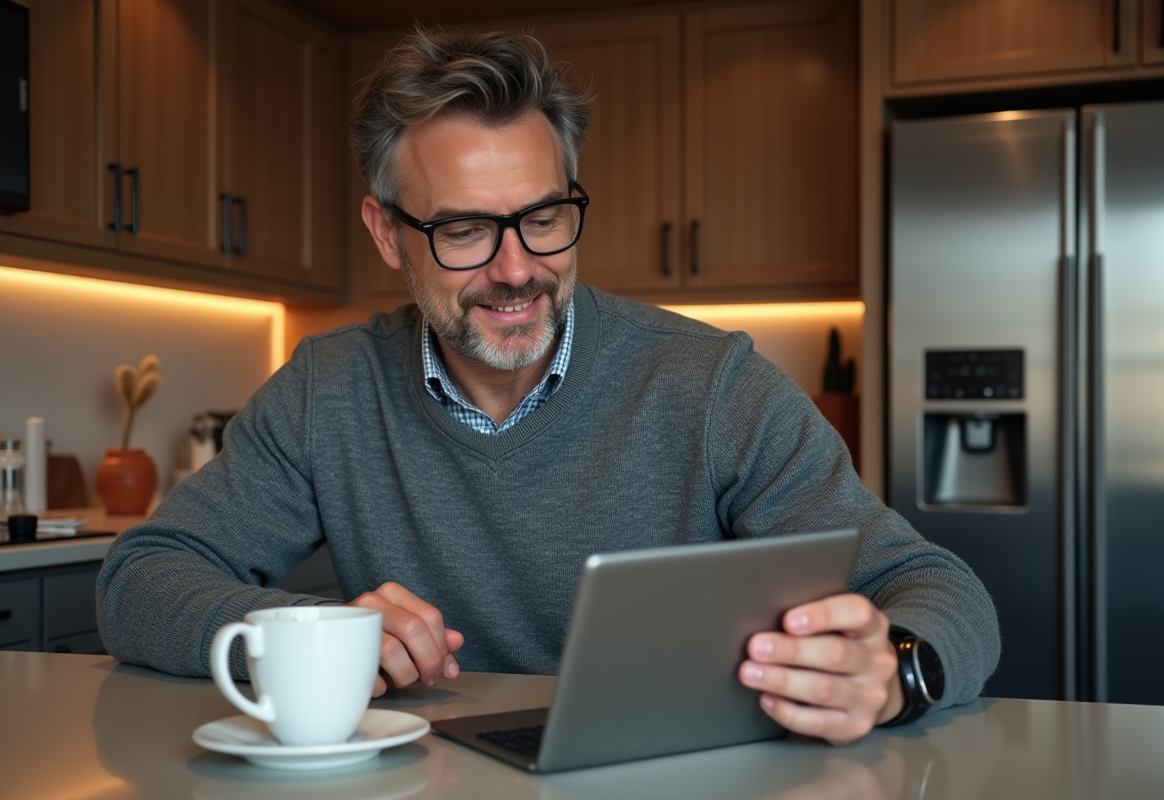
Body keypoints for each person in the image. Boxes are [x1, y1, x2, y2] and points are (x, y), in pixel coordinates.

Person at [96, 27, 999, 747]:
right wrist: (313, 628)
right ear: (385, 234)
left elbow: (934, 585)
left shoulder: (713, 384)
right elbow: (138, 580)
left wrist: (898, 674)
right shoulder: (325, 392)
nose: (516, 269)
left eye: (543, 217)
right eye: (463, 231)